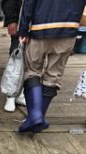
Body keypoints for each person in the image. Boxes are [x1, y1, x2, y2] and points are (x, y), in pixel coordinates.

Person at [17, 0, 86, 133]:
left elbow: (29, 3)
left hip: (40, 28)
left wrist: (23, 29)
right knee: (53, 76)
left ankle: (35, 116)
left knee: (32, 71)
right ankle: (38, 117)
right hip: (68, 28)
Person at [2, 0, 27, 111]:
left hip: (37, 23)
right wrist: (12, 20)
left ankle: (21, 93)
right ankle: (11, 96)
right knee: (16, 59)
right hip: (20, 20)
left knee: (32, 62)